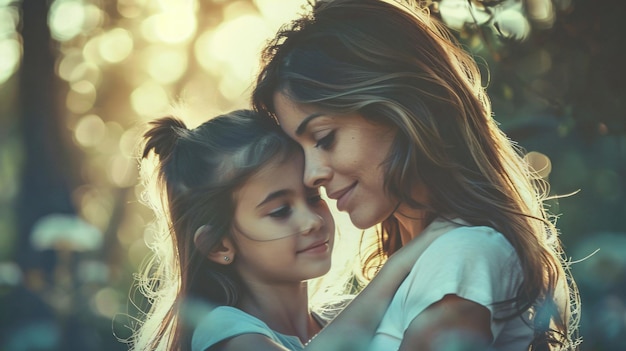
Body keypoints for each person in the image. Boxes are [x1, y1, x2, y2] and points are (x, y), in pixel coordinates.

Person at [251, 0, 582, 350]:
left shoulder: (461, 256)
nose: (310, 175)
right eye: (299, 150)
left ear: (401, 109)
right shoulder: (423, 267)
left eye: (323, 139)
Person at [127, 109, 443, 351]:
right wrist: (398, 266)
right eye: (280, 211)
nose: (313, 221)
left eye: (313, 197)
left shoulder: (340, 318)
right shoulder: (224, 332)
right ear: (218, 246)